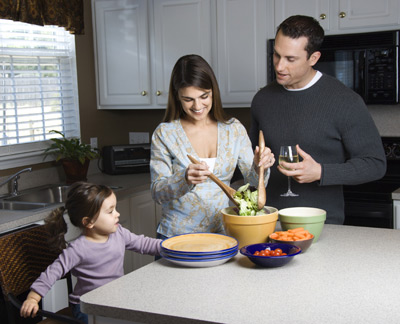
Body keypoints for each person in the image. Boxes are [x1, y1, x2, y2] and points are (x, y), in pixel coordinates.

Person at [250, 15, 386, 225]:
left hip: (321, 225)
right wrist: (257, 163)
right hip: (268, 220)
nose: (279, 66)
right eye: (277, 55)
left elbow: (375, 164)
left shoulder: (345, 101)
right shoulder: (262, 100)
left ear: (313, 58)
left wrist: (321, 172)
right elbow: (251, 162)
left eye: (290, 59)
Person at [150, 54, 275, 239]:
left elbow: (255, 186)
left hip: (225, 234)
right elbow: (157, 192)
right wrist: (184, 179)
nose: (197, 106)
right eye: (188, 99)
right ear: (177, 96)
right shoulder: (165, 134)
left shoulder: (233, 129)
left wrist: (259, 166)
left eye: (204, 96)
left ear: (213, 91)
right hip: (177, 237)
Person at [20, 182, 162, 324]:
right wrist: (33, 298)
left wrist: (169, 246)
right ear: (89, 222)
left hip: (114, 301)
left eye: (115, 209)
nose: (117, 214)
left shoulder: (119, 233)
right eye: (110, 211)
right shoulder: (78, 249)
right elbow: (52, 272)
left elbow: (144, 244)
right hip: (86, 308)